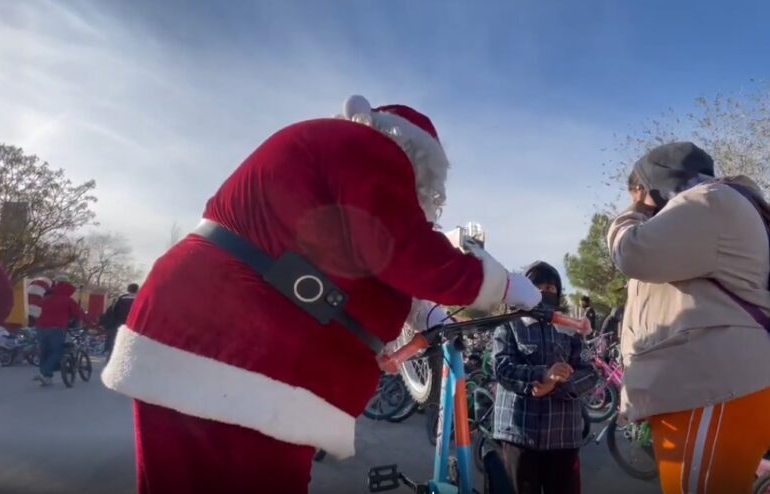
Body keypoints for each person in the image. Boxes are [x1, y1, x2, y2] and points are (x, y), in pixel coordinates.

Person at [101, 95, 541, 494]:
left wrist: (415, 310)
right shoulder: (371, 149)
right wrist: (503, 285)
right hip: (241, 354)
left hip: (197, 330)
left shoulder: (328, 155)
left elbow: (358, 255)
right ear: (418, 159)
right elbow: (406, 250)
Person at [607, 142, 770, 494]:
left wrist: (633, 211)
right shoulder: (703, 213)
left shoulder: (709, 200)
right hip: (716, 392)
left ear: (652, 185)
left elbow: (631, 252)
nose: (634, 199)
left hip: (717, 391)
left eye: (636, 190)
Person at [492, 261, 597, 494]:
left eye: (551, 288)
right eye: (537, 286)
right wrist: (541, 376)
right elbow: (502, 367)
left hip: (563, 437)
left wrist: (559, 384)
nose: (544, 292)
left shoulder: (571, 329)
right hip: (517, 434)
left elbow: (590, 371)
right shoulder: (509, 325)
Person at [33, 275, 85, 386]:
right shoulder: (68, 300)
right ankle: (46, 372)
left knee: (44, 351)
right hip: (57, 328)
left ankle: (46, 377)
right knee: (57, 351)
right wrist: (91, 324)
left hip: (41, 327)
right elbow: (78, 314)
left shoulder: (46, 297)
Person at [101, 283, 139, 358]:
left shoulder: (120, 299)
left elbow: (111, 313)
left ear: (128, 289)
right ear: (137, 290)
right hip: (134, 327)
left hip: (119, 325)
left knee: (115, 345)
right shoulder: (140, 300)